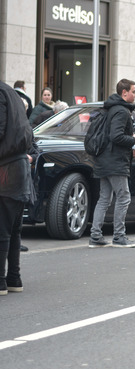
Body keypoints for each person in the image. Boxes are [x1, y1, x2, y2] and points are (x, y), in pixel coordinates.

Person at [89, 79, 135, 248]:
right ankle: (119, 237)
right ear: (124, 93)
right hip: (115, 162)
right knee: (123, 197)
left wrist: (131, 146)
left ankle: (95, 237)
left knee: (104, 198)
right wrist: (133, 140)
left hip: (104, 159)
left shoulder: (110, 108)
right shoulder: (121, 111)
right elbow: (116, 136)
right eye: (133, 91)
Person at [0, 80, 36, 295]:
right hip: (18, 166)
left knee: (3, 228)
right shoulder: (12, 93)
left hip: (6, 167)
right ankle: (13, 278)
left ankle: (2, 281)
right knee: (13, 229)